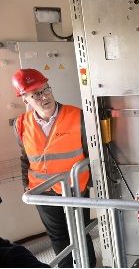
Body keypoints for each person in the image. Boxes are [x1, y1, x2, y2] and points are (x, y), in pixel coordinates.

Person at [12, 69, 96, 268]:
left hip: (75, 189)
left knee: (80, 232)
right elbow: (25, 158)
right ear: (25, 99)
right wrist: (27, 186)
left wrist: (89, 186)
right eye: (36, 94)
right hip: (42, 191)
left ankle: (89, 266)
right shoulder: (21, 124)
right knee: (58, 236)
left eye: (46, 89)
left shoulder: (78, 116)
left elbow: (90, 155)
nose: (44, 97)